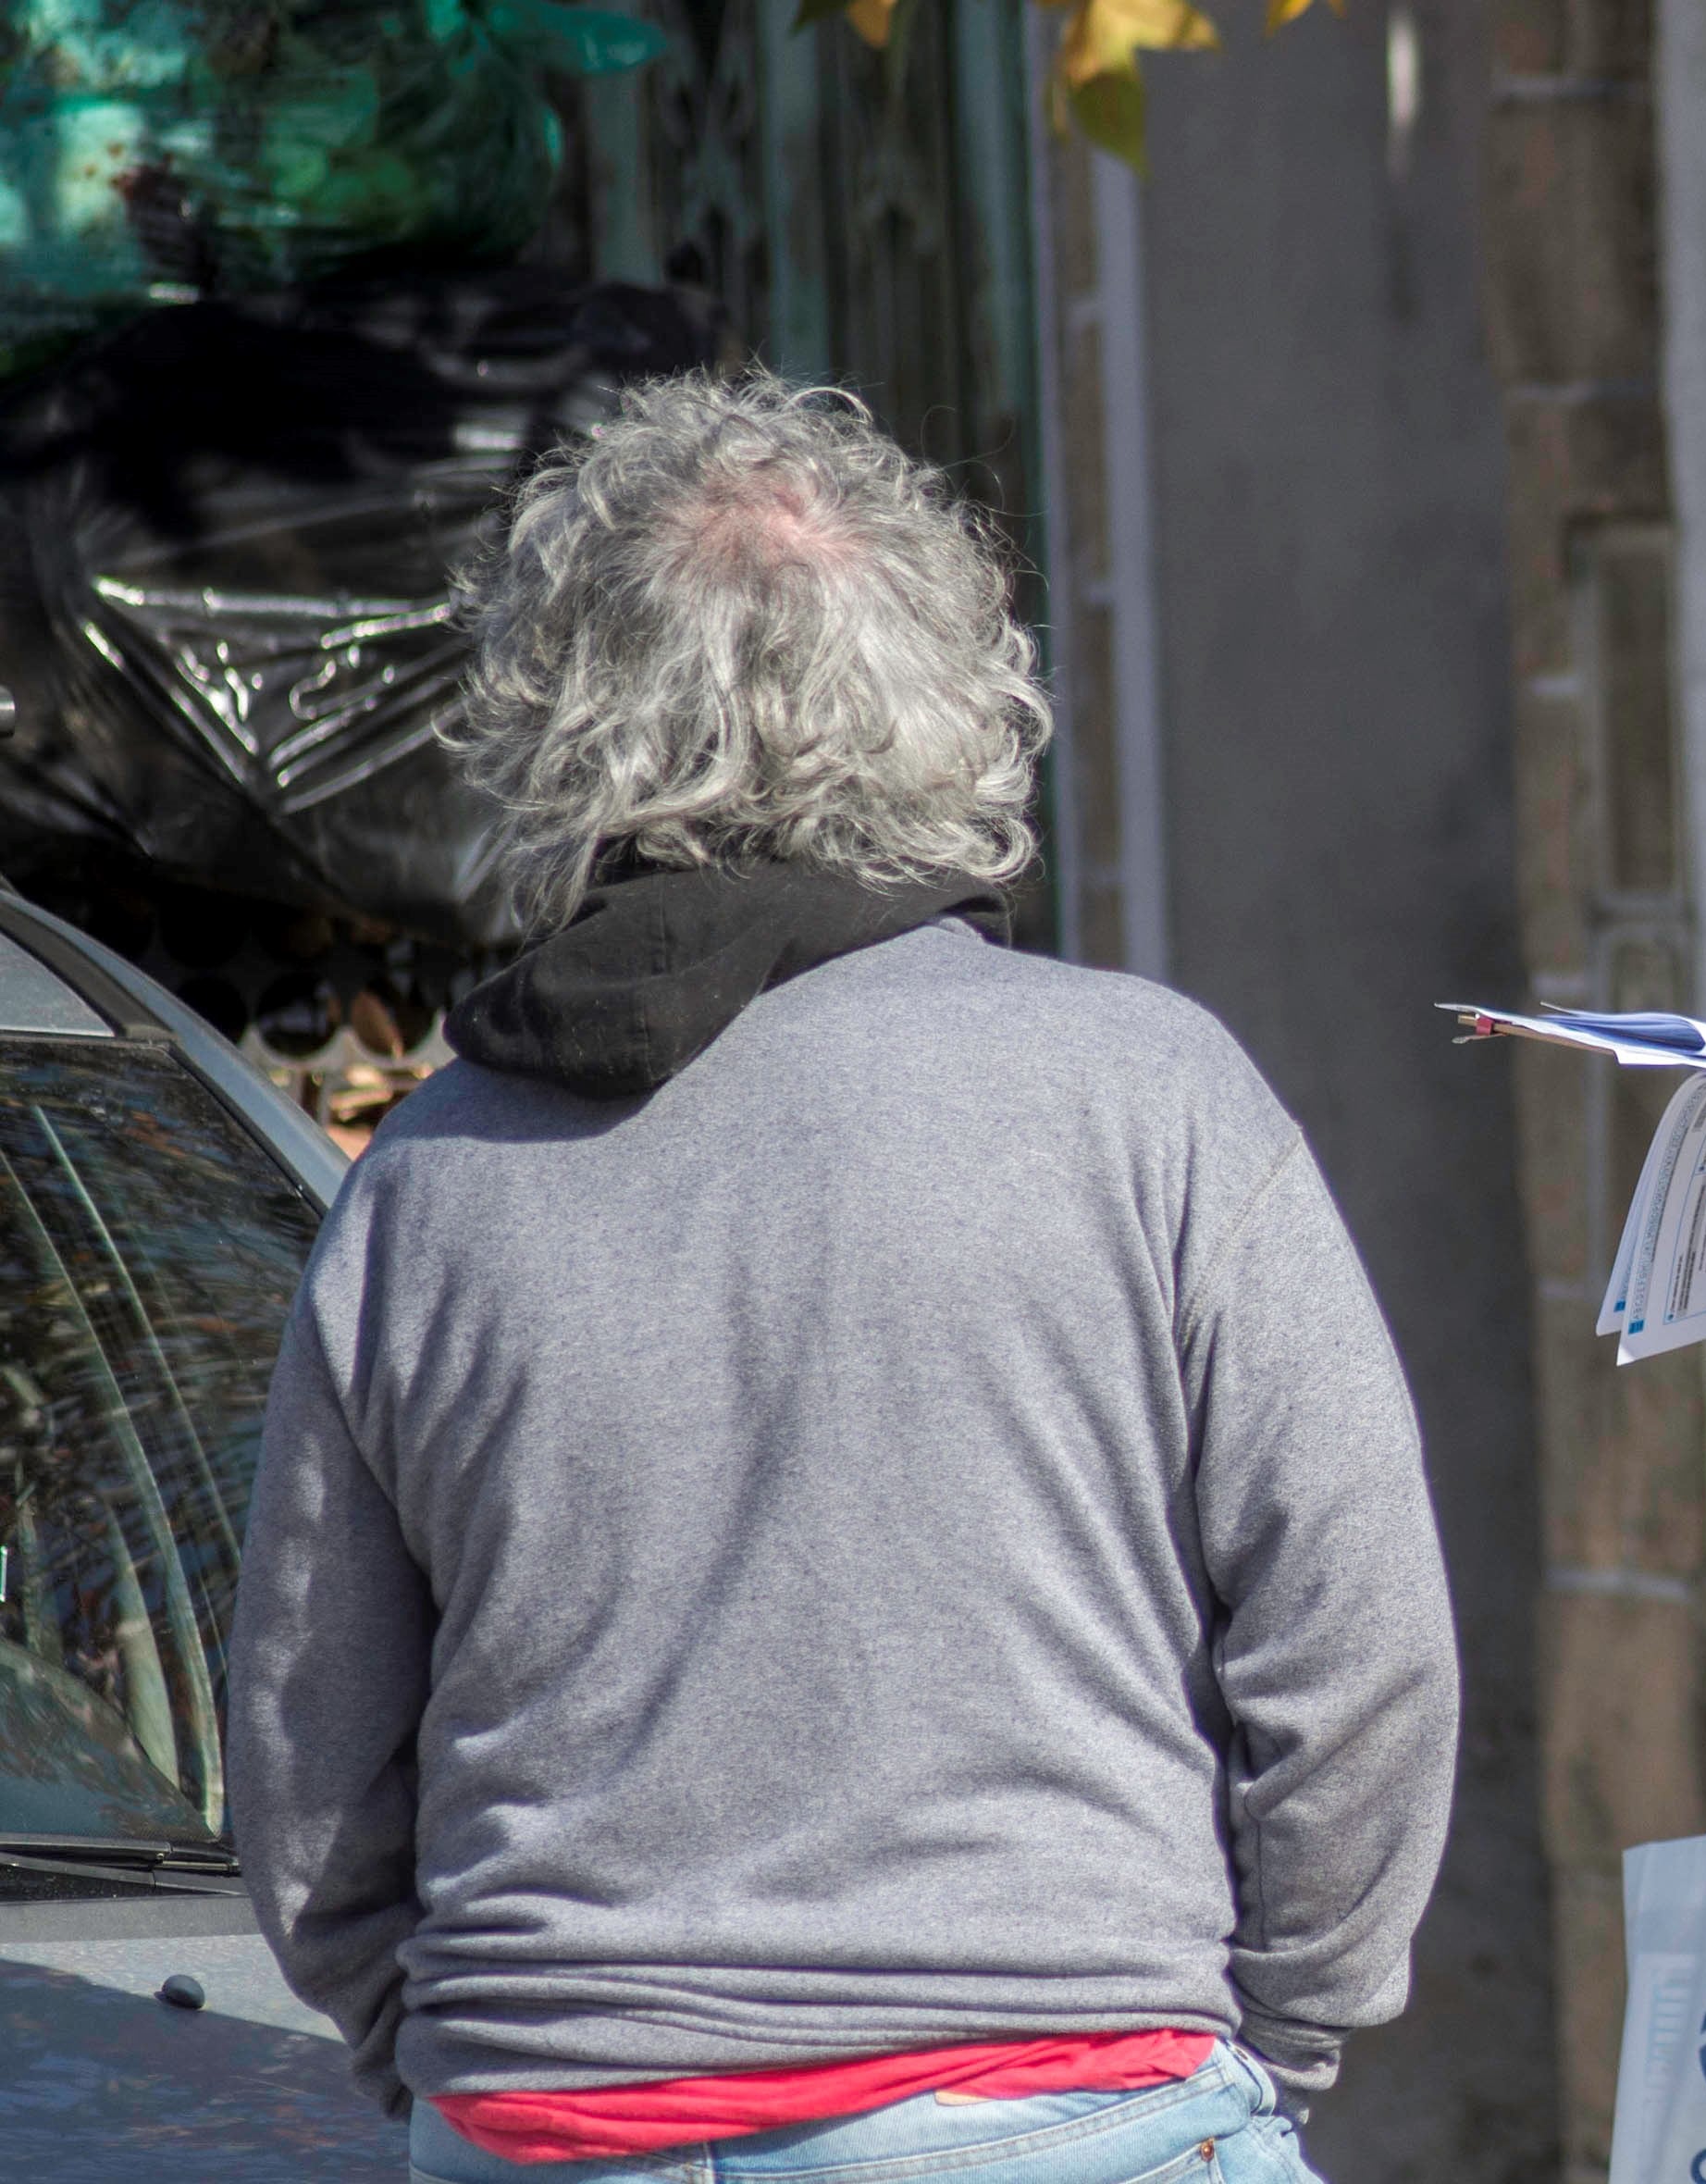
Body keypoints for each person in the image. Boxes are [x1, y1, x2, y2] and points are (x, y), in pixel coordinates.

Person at [227, 375, 1461, 2183]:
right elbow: (1362, 1655)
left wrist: (497, 2063)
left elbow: (302, 1758)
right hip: (1079, 2114)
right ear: (954, 702)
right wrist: (1253, 2043)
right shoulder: (1157, 1097)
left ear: (564, 728)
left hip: (559, 2124)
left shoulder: (433, 1180)